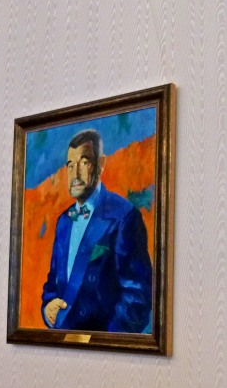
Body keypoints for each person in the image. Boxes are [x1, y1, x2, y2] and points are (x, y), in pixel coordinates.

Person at [41, 129, 153, 332]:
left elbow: (138, 299)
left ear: (101, 164)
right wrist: (48, 307)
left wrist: (103, 342)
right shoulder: (64, 221)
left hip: (102, 343)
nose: (75, 174)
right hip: (61, 343)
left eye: (84, 163)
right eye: (70, 165)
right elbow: (52, 284)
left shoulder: (125, 216)